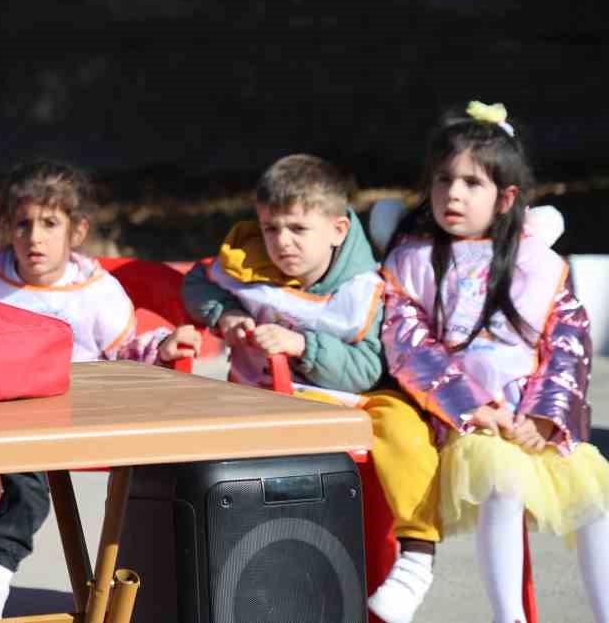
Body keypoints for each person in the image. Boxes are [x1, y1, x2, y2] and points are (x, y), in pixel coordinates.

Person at [183, 153, 446, 623]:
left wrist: (303, 345)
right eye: (270, 228)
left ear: (337, 230)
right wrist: (226, 315)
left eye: (297, 229)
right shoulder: (249, 261)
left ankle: (417, 553)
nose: (281, 243)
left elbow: (368, 369)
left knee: (406, 432)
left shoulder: (361, 288)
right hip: (264, 399)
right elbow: (198, 283)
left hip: (349, 397)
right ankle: (214, 572)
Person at [382, 102, 609, 623]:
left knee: (594, 496)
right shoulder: (413, 262)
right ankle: (508, 616)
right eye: (443, 180)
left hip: (534, 421)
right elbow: (410, 345)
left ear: (506, 198)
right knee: (502, 484)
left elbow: (568, 343)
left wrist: (546, 414)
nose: (453, 194)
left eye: (471, 183)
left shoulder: (538, 264)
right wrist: (474, 406)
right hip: (467, 424)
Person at [0, 161, 199, 620]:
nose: (34, 238)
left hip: (61, 418)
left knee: (29, 489)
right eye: (22, 224)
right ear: (7, 227)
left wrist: (164, 345)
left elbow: (126, 350)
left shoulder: (95, 291)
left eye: (49, 224)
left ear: (76, 231)